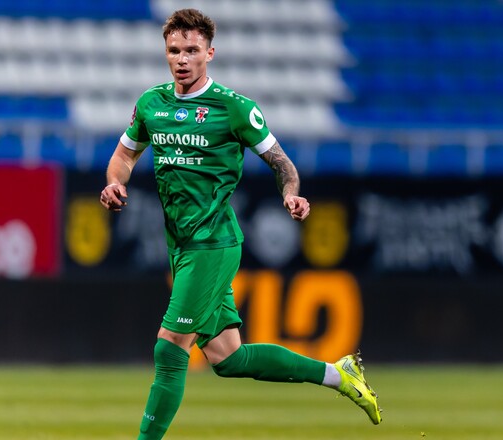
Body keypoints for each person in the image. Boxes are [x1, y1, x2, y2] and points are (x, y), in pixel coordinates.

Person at [100, 8, 381, 439]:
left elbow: (282, 163)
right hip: (180, 244)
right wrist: (114, 184)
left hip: (213, 243)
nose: (182, 59)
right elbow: (123, 155)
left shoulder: (235, 108)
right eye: (174, 50)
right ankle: (338, 374)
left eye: (191, 50)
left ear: (209, 53)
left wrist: (290, 193)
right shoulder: (151, 103)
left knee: (170, 348)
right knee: (228, 358)